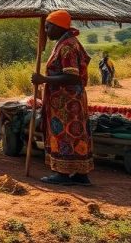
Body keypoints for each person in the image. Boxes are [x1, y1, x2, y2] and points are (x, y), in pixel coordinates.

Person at [31, 10, 93, 186]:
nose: (46, 31)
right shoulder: (67, 42)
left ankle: (63, 174)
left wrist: (43, 80)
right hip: (71, 100)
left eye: (48, 27)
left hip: (66, 103)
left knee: (64, 134)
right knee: (76, 134)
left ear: (58, 26)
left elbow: (72, 76)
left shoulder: (66, 46)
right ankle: (81, 174)